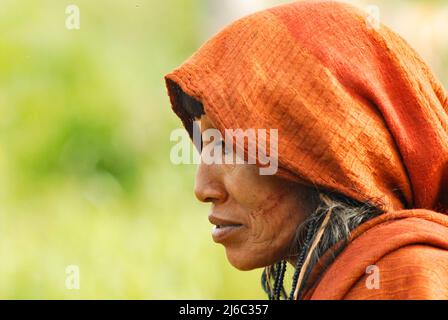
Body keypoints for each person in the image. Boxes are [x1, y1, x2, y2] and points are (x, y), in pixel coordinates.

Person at [164, 1, 448, 299]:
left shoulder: (402, 280)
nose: (203, 189)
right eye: (205, 147)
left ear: (321, 155)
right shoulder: (355, 277)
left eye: (230, 148)